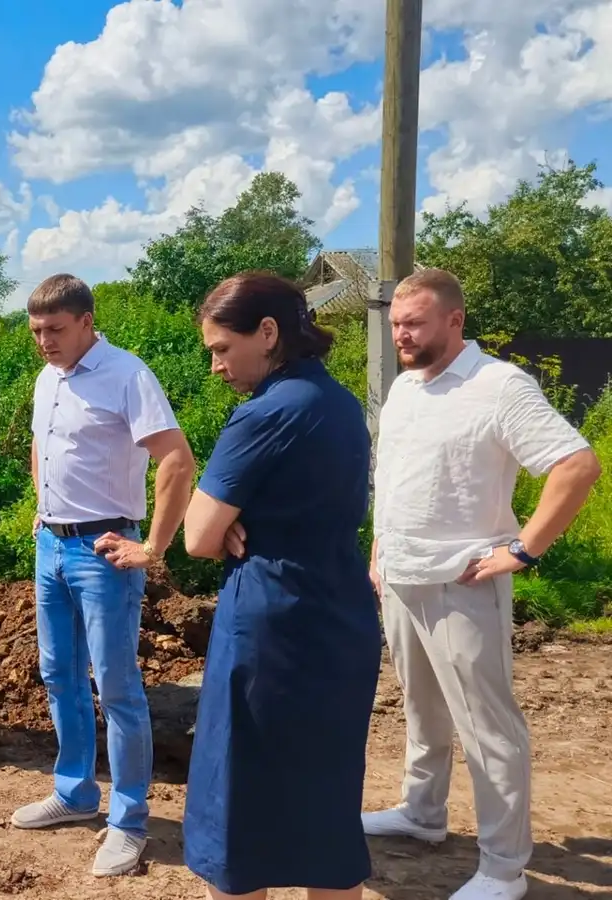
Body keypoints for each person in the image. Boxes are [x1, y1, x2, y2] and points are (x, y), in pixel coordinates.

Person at [365, 268, 602, 900]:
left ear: (454, 320)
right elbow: (396, 478)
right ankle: (422, 813)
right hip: (401, 577)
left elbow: (576, 464)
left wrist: (524, 551)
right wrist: (381, 547)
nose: (402, 336)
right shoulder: (405, 390)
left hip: (463, 579)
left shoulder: (499, 386)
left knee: (488, 728)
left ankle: (503, 867)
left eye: (413, 323)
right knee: (422, 709)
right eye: (395, 325)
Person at [180, 272, 382, 900]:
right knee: (325, 806)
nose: (215, 365)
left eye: (221, 348)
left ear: (267, 333)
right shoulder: (340, 402)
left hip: (271, 624)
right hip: (341, 616)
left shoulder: (265, 413)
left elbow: (197, 537)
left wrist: (231, 520)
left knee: (240, 809)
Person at [10, 274, 195, 877]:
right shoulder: (48, 378)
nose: (44, 342)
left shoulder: (127, 375)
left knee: (116, 686)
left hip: (106, 548)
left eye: (55, 330)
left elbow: (176, 458)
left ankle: (129, 818)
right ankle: (75, 792)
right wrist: (43, 507)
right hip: (53, 545)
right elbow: (42, 445)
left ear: (88, 322)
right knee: (59, 672)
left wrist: (154, 548)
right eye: (37, 331)